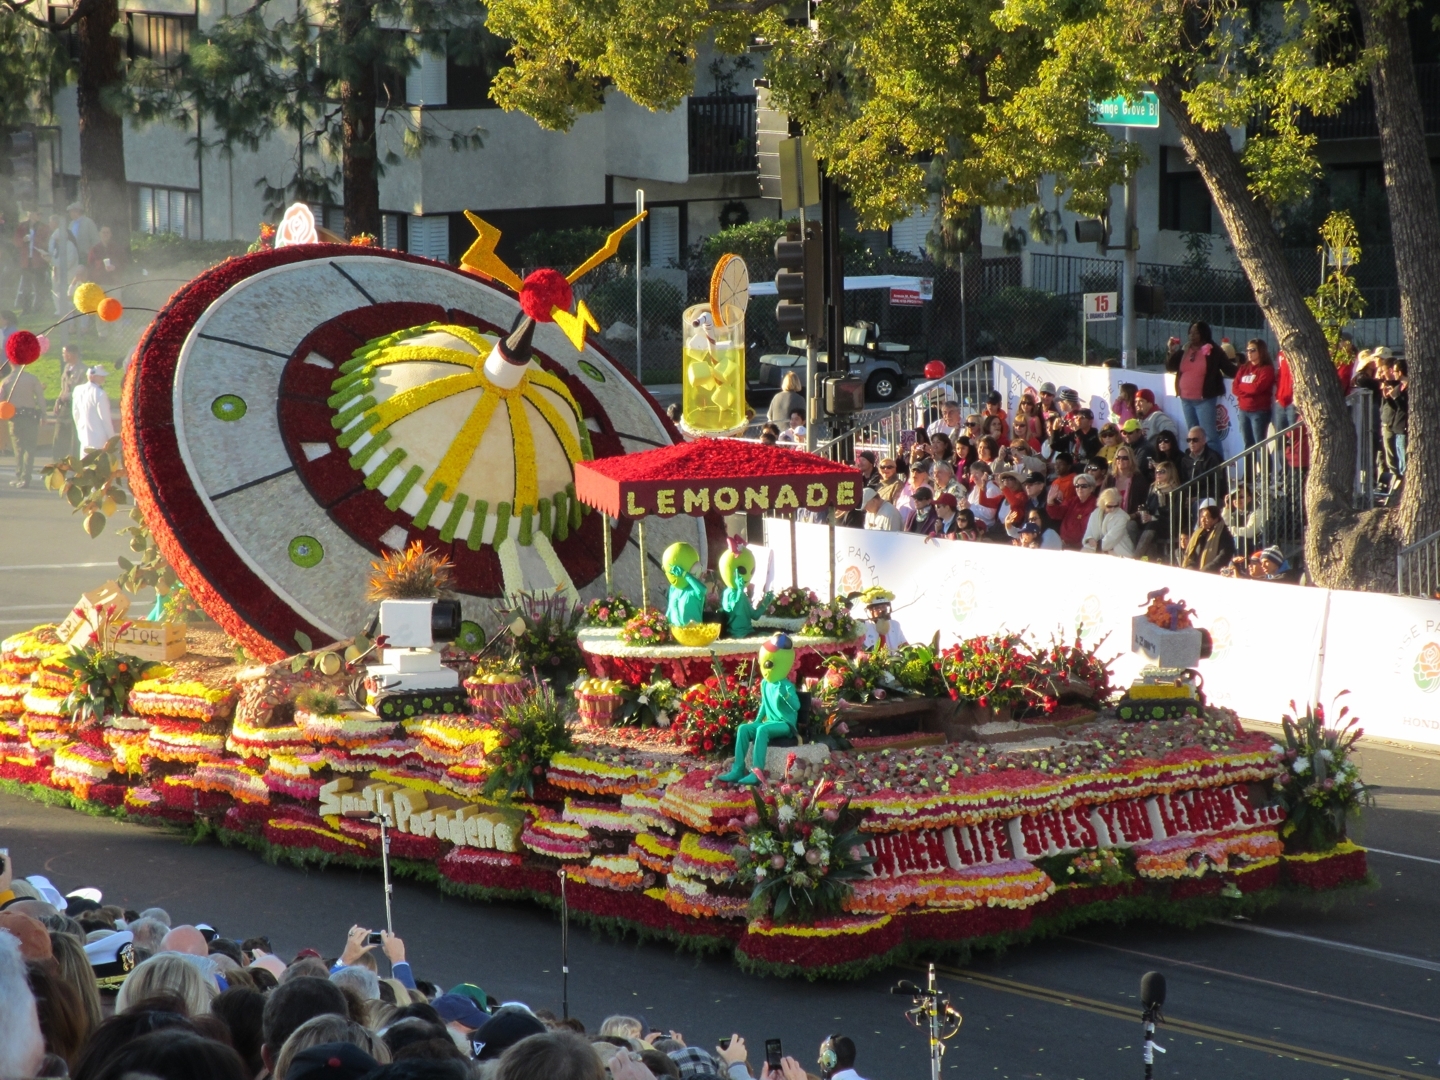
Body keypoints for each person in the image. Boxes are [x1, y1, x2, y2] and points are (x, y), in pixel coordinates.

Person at [1165, 321, 1236, 454]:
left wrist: (1247, 370)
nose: (1192, 335)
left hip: (1204, 400)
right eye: (1190, 332)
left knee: (1209, 436)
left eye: (1196, 332)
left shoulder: (1214, 350)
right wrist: (1171, 350)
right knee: (1193, 437)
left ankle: (1215, 470)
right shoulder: (1185, 349)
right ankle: (1198, 467)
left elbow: (1229, 369)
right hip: (1186, 400)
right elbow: (1171, 367)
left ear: (1204, 333)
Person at [2, 359, 44, 487]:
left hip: (15, 418)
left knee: (19, 448)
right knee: (30, 448)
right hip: (31, 416)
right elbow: (40, 398)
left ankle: (20, 475)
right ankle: (26, 477)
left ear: (10, 364)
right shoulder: (32, 379)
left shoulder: (6, 381)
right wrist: (44, 414)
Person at [1233, 339, 1276, 448]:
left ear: (1261, 351)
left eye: (1253, 350)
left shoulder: (1267, 369)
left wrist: (1242, 386)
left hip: (1259, 412)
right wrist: (1248, 389)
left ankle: (1265, 465)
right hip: (1243, 411)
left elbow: (1257, 388)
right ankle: (1249, 466)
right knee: (1248, 445)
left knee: (1259, 446)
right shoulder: (1244, 368)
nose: (1249, 353)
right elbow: (1234, 388)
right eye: (1247, 350)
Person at [1180, 498, 1236, 573]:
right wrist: (1190, 567)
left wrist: (1206, 569)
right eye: (1201, 517)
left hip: (1212, 573)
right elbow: (1191, 554)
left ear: (1215, 519)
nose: (1202, 520)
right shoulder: (1198, 533)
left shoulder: (1224, 534)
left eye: (1206, 518)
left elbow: (1223, 556)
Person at [53, 344, 87, 462]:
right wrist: (58, 400)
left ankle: (74, 466)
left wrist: (68, 396)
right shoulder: (67, 368)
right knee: (59, 436)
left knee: (74, 439)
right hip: (64, 407)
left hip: (75, 407)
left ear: (72, 354)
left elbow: (82, 391)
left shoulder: (83, 370)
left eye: (65, 353)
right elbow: (64, 388)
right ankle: (57, 466)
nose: (63, 355)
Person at [13, 210, 51, 314]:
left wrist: (36, 240)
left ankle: (38, 309)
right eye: (36, 213)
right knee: (26, 287)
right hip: (26, 261)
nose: (38, 216)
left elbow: (47, 243)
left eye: (39, 214)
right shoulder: (22, 226)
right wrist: (23, 240)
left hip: (39, 261)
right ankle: (26, 309)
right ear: (29, 215)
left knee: (39, 286)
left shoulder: (44, 227)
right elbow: (16, 242)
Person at [1082, 486, 1136, 557]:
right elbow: (1089, 531)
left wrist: (1096, 545)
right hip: (1098, 549)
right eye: (1109, 506)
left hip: (1119, 552)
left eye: (1116, 506)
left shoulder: (1122, 517)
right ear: (1102, 503)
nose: (1113, 509)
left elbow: (1112, 538)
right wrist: (1089, 539)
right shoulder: (1095, 513)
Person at [1380, 357, 1408, 492]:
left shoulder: (1409, 387)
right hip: (1396, 427)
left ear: (1401, 372)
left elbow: (1405, 407)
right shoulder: (1398, 387)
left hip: (1404, 428)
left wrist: (1396, 398)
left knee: (1403, 461)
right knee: (1396, 456)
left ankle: (1403, 488)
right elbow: (1396, 407)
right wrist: (1388, 397)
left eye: (1395, 371)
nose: (1394, 373)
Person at [72, 366, 115, 453]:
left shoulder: (78, 390)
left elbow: (75, 413)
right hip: (100, 438)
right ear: (93, 377)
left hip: (84, 436)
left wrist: (79, 430)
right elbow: (105, 419)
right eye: (101, 376)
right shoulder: (100, 394)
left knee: (85, 463)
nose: (104, 378)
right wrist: (112, 439)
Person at [1053, 472, 1099, 550]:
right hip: (1064, 544)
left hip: (1081, 547)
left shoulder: (1095, 505)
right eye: (1077, 486)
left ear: (1091, 488)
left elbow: (1085, 529)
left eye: (1083, 486)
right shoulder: (1071, 501)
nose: (1079, 488)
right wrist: (1051, 502)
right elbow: (1057, 514)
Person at [1182, 425, 1227, 504]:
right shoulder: (1185, 458)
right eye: (1189, 440)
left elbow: (1218, 486)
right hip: (1189, 499)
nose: (1191, 443)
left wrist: (1197, 497)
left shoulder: (1213, 458)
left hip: (1208, 499)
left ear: (1204, 441)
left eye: (1195, 440)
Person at [1111, 444, 1149, 514]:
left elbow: (1143, 504)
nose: (1121, 460)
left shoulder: (1139, 479)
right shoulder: (1109, 478)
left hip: (1131, 518)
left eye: (1125, 458)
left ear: (1131, 460)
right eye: (1118, 457)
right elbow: (1102, 500)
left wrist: (1131, 516)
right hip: (1110, 517)